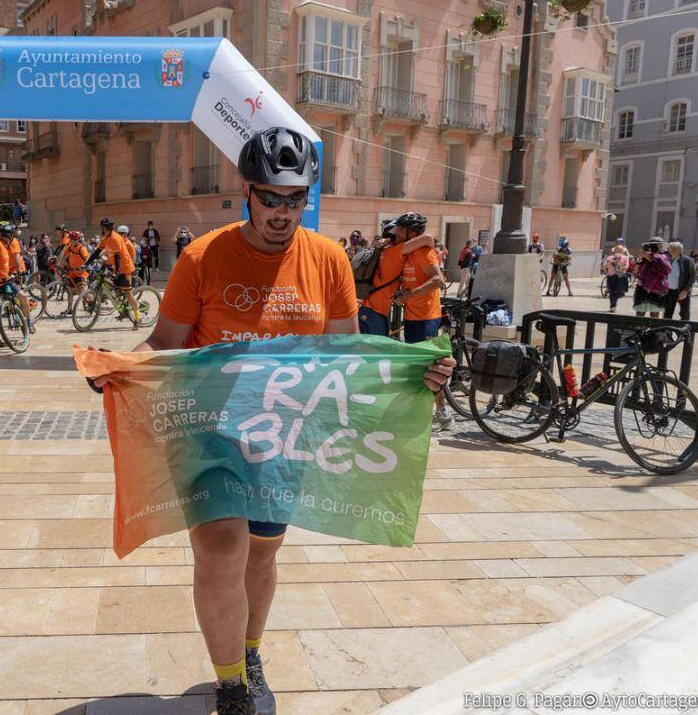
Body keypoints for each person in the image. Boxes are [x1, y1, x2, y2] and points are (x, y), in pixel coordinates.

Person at [89, 127, 455, 715]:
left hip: (287, 432)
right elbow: (164, 342)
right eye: (270, 197)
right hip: (209, 429)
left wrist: (417, 372)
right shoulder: (202, 257)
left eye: (295, 198)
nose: (283, 211)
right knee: (221, 547)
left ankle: (249, 651)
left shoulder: (328, 258)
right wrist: (120, 365)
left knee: (262, 552)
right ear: (247, 193)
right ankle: (231, 684)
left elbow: (347, 355)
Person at [390, 214, 451, 432]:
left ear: (412, 233)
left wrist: (410, 295)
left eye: (401, 230)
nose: (397, 233)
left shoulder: (425, 254)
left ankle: (442, 413)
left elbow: (438, 280)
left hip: (426, 316)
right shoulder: (409, 252)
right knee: (417, 368)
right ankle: (421, 412)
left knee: (430, 367)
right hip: (413, 316)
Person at [358, 219, 436, 338]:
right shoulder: (396, 250)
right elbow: (428, 239)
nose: (403, 236)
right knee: (378, 354)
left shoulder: (382, 251)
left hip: (366, 309)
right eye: (400, 232)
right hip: (376, 315)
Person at [0, 223, 35, 347]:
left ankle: (28, 322)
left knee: (23, 297)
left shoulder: (6, 244)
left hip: (5, 279)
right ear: (9, 236)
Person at [85, 218, 141, 330]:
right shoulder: (106, 237)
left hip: (125, 269)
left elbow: (117, 257)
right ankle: (123, 310)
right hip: (115, 267)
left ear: (106, 228)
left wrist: (118, 272)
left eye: (102, 227)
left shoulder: (115, 238)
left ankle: (137, 318)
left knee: (129, 295)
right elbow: (97, 251)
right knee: (115, 290)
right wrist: (87, 263)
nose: (101, 229)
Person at [633, 238, 670, 318]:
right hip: (642, 288)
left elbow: (665, 270)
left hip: (656, 289)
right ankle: (639, 330)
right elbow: (636, 272)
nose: (661, 246)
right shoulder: (644, 257)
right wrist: (639, 260)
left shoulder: (662, 257)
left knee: (654, 314)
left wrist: (650, 257)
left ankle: (653, 330)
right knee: (640, 314)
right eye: (660, 244)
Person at [56, 230, 90, 316]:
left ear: (77, 240)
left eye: (73, 239)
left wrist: (84, 266)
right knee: (69, 291)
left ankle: (92, 303)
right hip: (72, 273)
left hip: (81, 273)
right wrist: (60, 266)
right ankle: (69, 309)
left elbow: (87, 259)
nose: (71, 240)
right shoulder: (69, 247)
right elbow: (64, 257)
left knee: (83, 291)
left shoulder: (82, 248)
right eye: (70, 239)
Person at [664, 242, 695, 321]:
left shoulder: (687, 261)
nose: (667, 250)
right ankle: (666, 332)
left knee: (685, 313)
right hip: (669, 291)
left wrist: (685, 290)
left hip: (682, 291)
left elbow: (692, 277)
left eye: (669, 249)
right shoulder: (668, 259)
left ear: (675, 251)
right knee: (667, 313)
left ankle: (684, 332)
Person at [602, 244, 632, 313]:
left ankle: (615, 300)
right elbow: (603, 267)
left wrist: (620, 267)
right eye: (617, 250)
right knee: (612, 292)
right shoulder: (610, 258)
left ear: (623, 251)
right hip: (611, 276)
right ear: (614, 250)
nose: (619, 251)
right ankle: (613, 306)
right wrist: (609, 263)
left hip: (620, 277)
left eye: (620, 250)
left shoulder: (625, 258)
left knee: (619, 292)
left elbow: (626, 267)